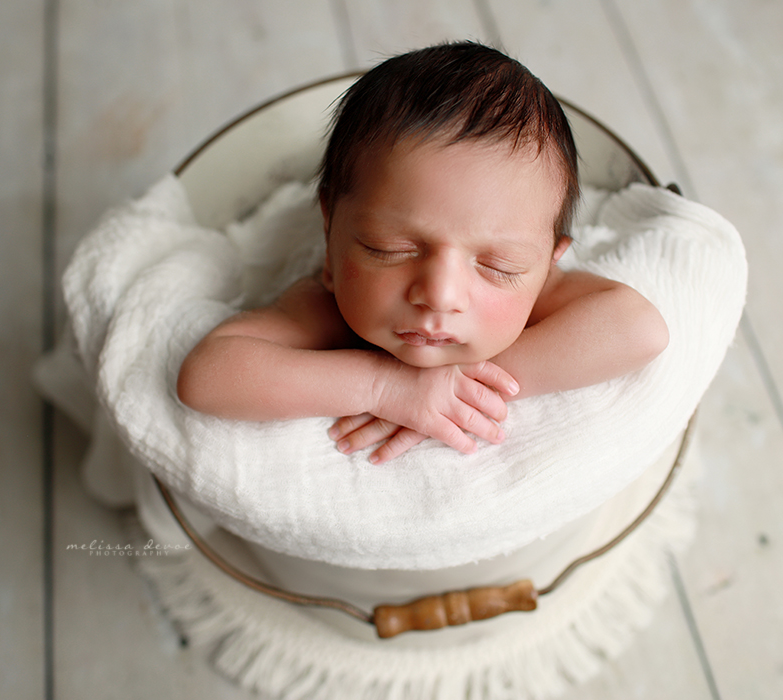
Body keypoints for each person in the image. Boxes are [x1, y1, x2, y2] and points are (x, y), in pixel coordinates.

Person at [176, 42, 668, 464]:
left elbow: (639, 327)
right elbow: (208, 377)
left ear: (548, 262)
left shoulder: (535, 291)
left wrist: (466, 389)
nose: (440, 294)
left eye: (498, 266)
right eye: (388, 249)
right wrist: (384, 387)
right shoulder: (326, 308)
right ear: (330, 234)